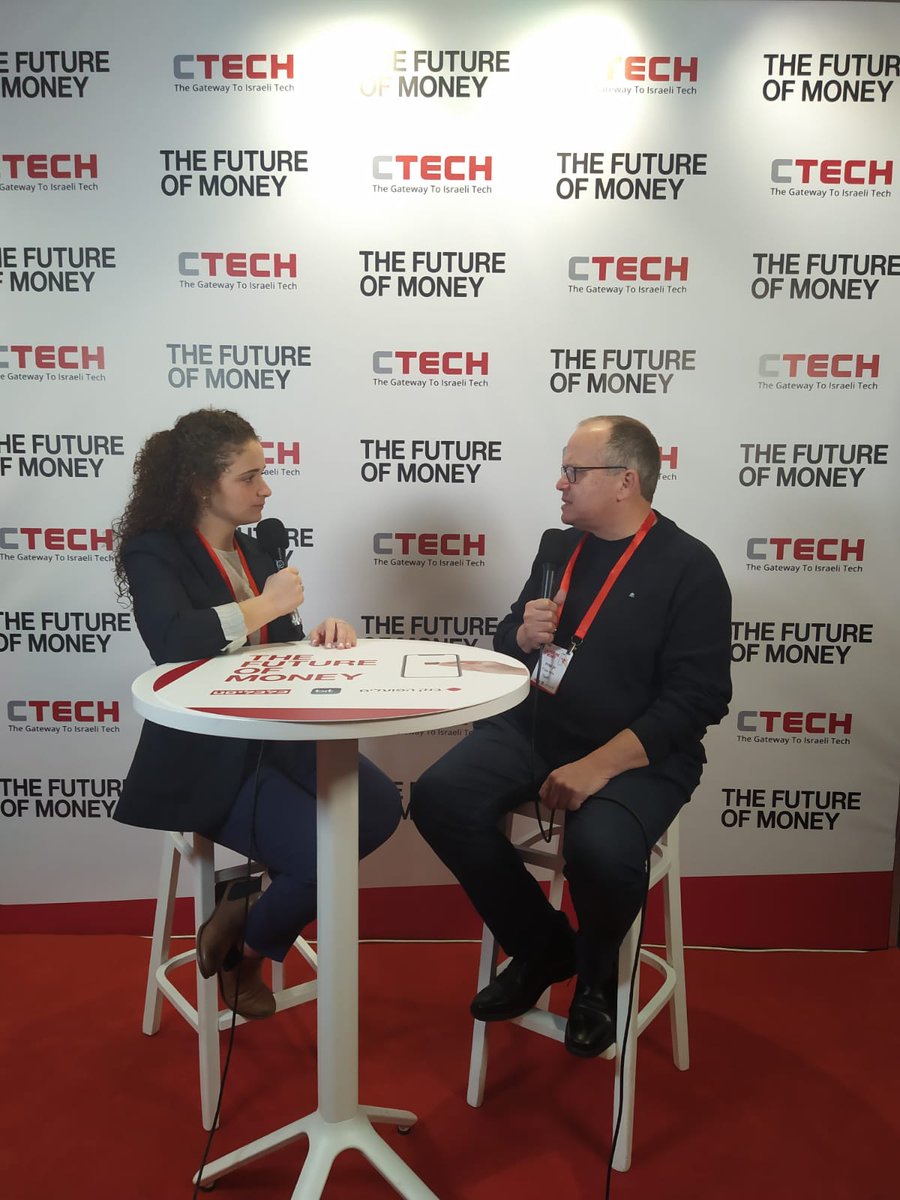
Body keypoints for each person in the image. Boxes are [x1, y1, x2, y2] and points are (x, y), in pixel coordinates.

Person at [412, 415, 732, 1056]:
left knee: (601, 850)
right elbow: (511, 642)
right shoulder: (559, 549)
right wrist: (519, 636)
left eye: (574, 471)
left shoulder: (690, 567)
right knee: (438, 797)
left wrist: (599, 766)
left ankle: (596, 980)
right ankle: (543, 948)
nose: (560, 483)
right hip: (537, 728)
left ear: (625, 481)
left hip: (638, 754)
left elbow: (699, 699)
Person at [113, 408, 402, 1020]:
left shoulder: (257, 547)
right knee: (320, 856)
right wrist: (265, 606)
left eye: (264, 474)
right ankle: (247, 953)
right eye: (249, 477)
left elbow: (273, 647)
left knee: (378, 808)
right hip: (207, 755)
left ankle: (241, 909)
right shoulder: (153, 552)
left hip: (281, 735)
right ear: (200, 484)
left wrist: (319, 635)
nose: (265, 489)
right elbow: (171, 640)